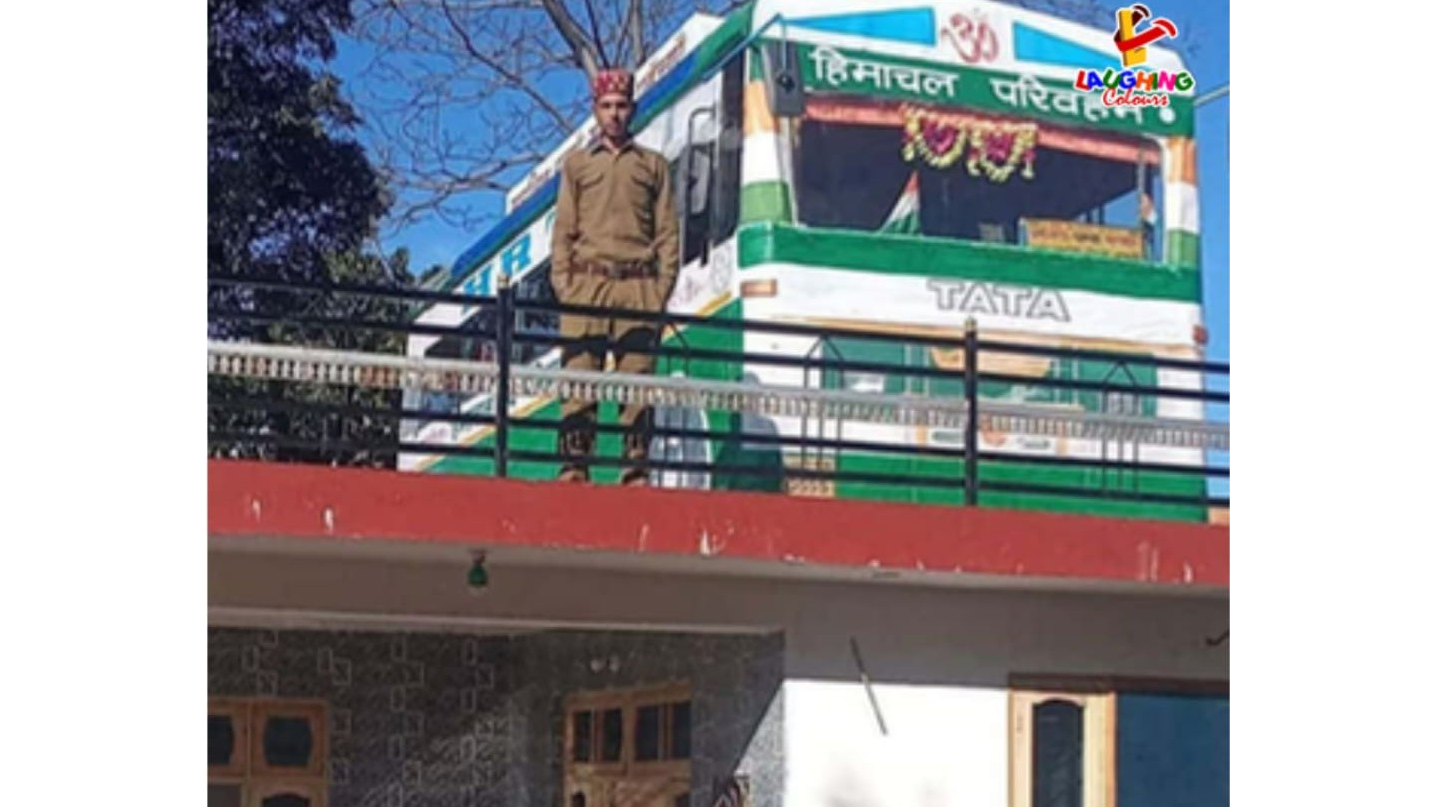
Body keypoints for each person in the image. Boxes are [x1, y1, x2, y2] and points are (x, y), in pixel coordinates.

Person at [550, 67, 679, 486]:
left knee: (637, 382)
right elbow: (563, 231)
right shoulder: (577, 165)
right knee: (578, 380)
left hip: (637, 286)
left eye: (621, 105)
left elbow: (667, 233)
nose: (614, 114)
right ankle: (574, 467)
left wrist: (660, 290)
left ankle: (635, 470)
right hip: (586, 285)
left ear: (633, 109)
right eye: (606, 106)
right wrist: (565, 285)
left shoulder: (653, 166)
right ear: (595, 110)